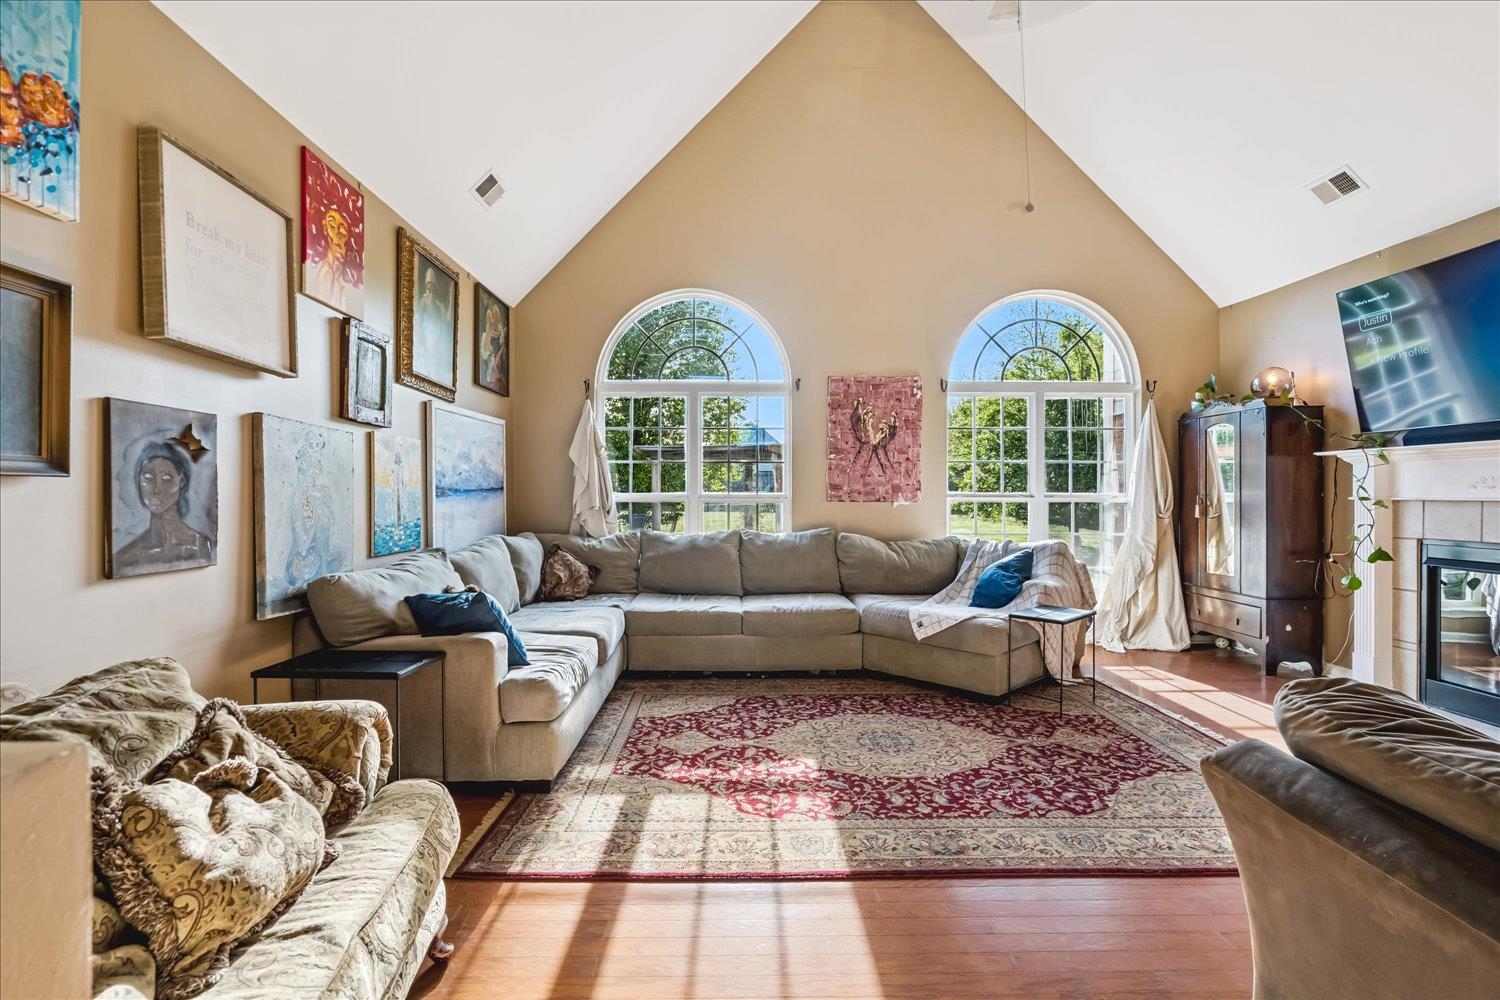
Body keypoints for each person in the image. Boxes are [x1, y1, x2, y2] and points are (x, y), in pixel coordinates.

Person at [115, 442, 213, 571]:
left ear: (182, 481)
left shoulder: (201, 546)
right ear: (139, 481)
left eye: (167, 477)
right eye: (148, 477)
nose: (157, 489)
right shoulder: (125, 557)